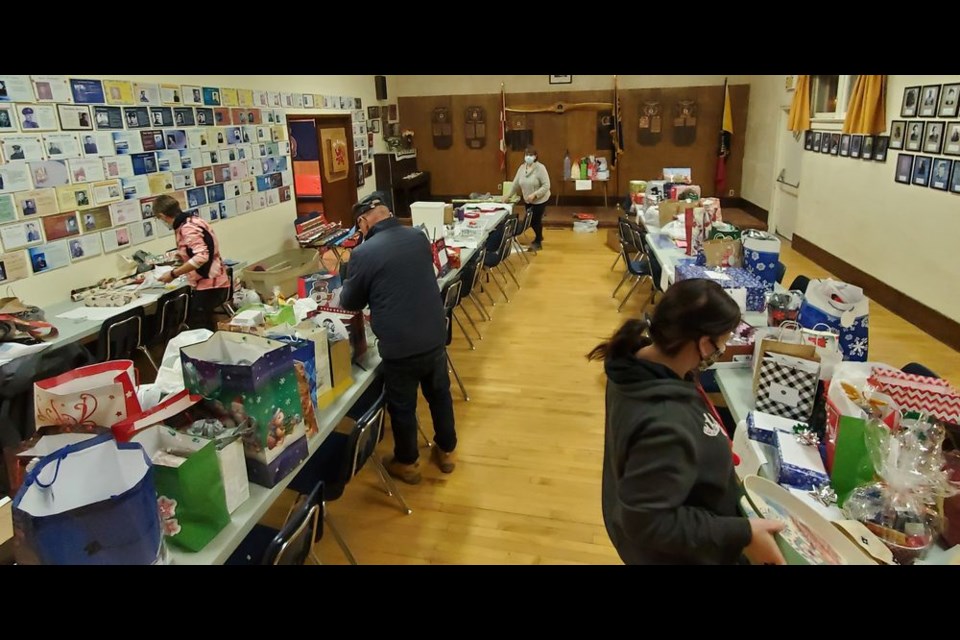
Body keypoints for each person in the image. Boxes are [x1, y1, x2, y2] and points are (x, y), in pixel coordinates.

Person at [587, 278, 786, 565]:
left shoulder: (637, 362)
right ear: (704, 344)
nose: (722, 349)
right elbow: (649, 522)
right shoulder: (664, 422)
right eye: (723, 341)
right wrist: (743, 535)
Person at [339, 191, 457, 484]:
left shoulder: (364, 253)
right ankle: (447, 451)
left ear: (364, 222)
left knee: (403, 406)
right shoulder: (417, 236)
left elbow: (349, 302)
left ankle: (408, 463)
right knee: (439, 394)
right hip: (433, 334)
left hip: (400, 344)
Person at [153, 194, 231, 331]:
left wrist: (173, 274)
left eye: (159, 218)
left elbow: (201, 256)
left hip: (209, 284)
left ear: (163, 216)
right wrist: (181, 257)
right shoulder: (194, 220)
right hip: (216, 279)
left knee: (200, 327)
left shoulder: (187, 228)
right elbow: (200, 247)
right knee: (203, 323)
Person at [505, 145, 551, 251]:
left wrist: (535, 194)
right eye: (526, 155)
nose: (528, 157)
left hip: (540, 199)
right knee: (532, 220)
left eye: (531, 155)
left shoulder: (540, 168)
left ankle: (538, 241)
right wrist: (508, 195)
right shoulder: (522, 168)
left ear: (535, 156)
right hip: (527, 199)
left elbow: (546, 185)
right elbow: (515, 184)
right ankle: (539, 235)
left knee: (535, 220)